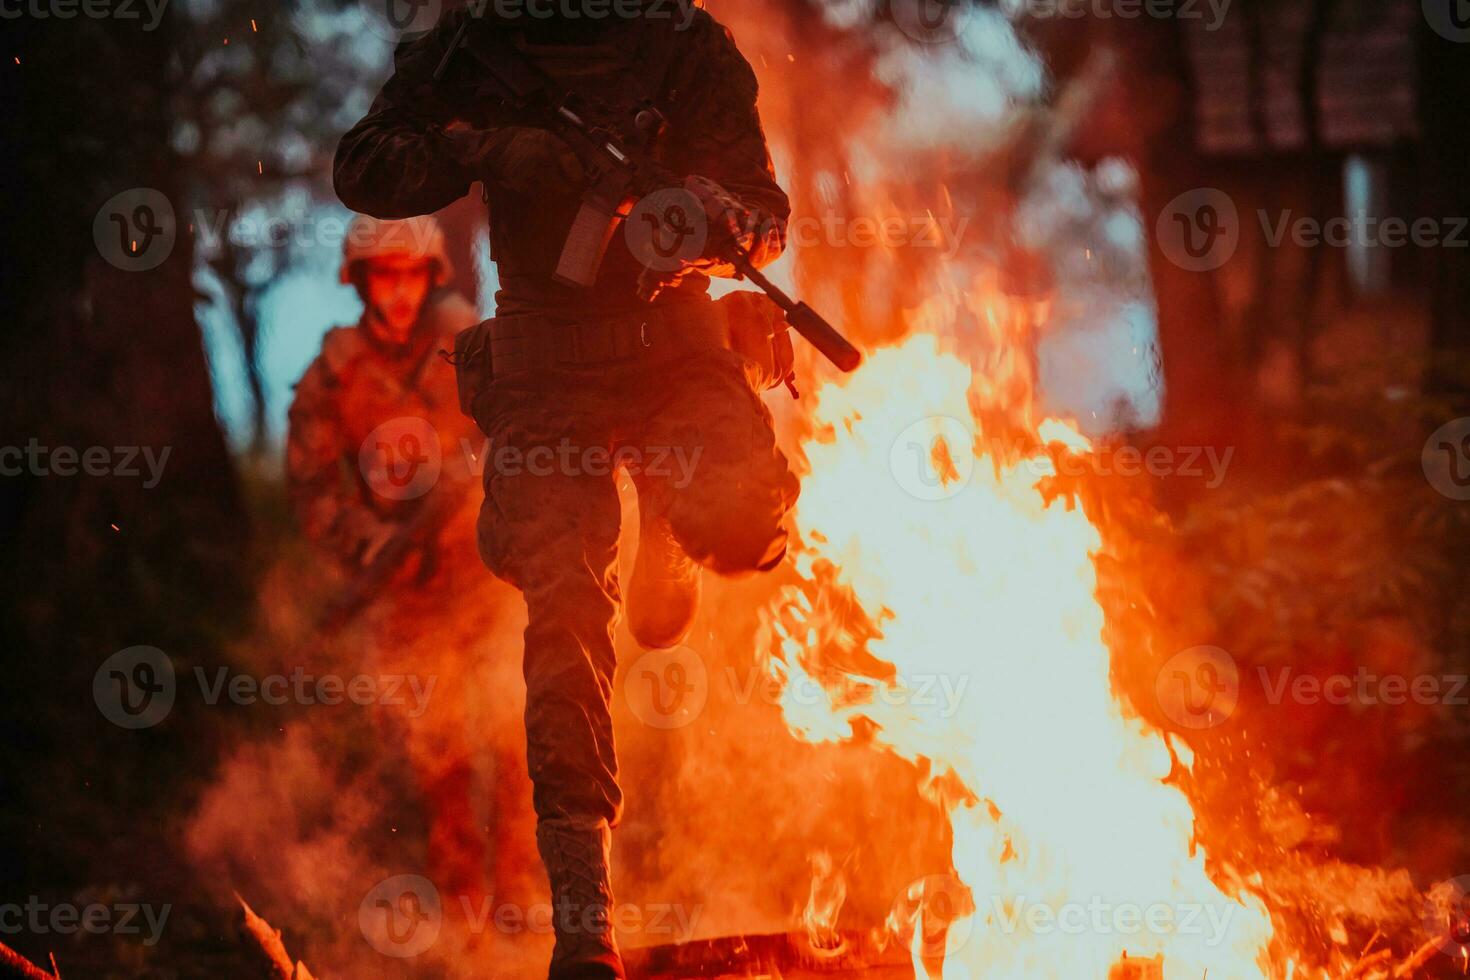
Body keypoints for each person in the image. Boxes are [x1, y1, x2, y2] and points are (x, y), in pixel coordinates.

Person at [335, 8, 799, 977]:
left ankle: (671, 517)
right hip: (546, 363)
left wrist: (703, 216)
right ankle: (585, 924)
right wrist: (492, 148)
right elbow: (365, 167)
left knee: (747, 523)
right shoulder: (477, 44)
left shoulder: (683, 44)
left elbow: (766, 209)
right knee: (564, 619)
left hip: (674, 347)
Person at [286, 214, 530, 917]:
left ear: (430, 278)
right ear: (360, 282)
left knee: (520, 748)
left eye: (410, 273)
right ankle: (461, 918)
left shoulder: (474, 347)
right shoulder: (332, 378)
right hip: (407, 596)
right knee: (439, 762)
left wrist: (490, 493)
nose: (397, 290)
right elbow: (313, 491)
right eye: (383, 275)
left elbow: (533, 435)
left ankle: (524, 906)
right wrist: (371, 546)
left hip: (494, 578)